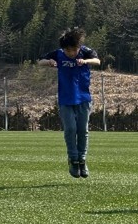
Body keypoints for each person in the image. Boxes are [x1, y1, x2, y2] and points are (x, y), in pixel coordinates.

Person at [38, 27, 100, 178]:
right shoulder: (58, 54)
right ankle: (73, 159)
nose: (71, 53)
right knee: (70, 129)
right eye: (68, 51)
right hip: (65, 99)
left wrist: (85, 61)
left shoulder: (85, 52)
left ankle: (82, 160)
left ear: (78, 47)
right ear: (63, 49)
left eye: (74, 50)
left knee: (83, 130)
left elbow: (97, 61)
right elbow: (40, 61)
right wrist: (49, 62)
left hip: (83, 98)